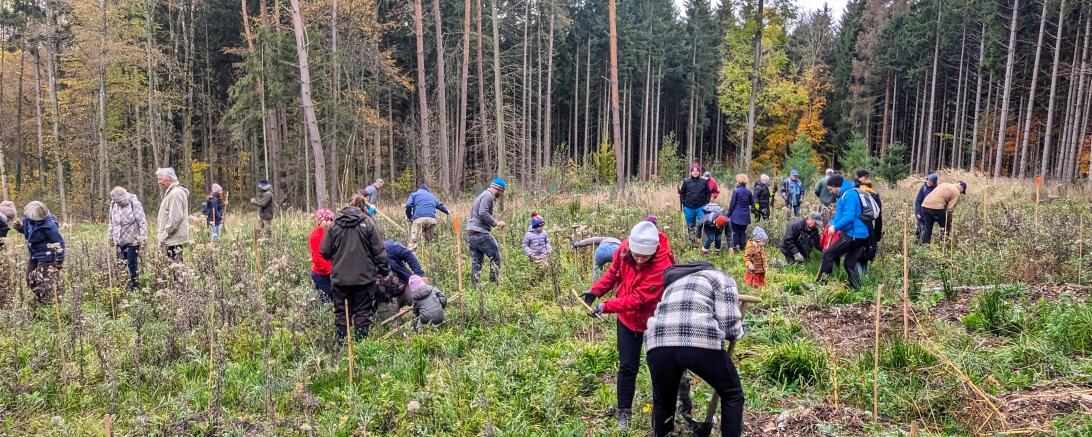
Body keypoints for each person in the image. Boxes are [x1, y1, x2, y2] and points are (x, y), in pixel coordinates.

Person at [581, 221, 675, 430]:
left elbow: (639, 299)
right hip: (627, 319)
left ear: (653, 252)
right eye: (636, 255)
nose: (639, 260)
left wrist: (607, 306)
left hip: (654, 321)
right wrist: (595, 291)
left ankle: (664, 418)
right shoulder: (624, 250)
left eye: (644, 257)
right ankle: (624, 412)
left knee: (659, 369)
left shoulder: (662, 266)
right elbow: (613, 273)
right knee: (626, 367)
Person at [643, 261, 744, 437]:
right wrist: (737, 333)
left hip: (657, 342)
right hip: (698, 340)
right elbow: (729, 324)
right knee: (732, 394)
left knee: (663, 403)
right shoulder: (720, 277)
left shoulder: (673, 284)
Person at [320, 194, 392, 340]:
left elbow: (324, 252)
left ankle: (341, 345)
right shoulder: (368, 223)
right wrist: (385, 271)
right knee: (363, 312)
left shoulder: (334, 225)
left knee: (341, 313)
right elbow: (379, 251)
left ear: (348, 204)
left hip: (340, 279)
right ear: (362, 207)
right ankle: (360, 345)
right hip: (364, 278)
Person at [818, 174, 870, 290]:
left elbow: (849, 216)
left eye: (831, 189)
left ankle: (820, 286)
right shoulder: (844, 194)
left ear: (835, 186)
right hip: (859, 235)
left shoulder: (849, 194)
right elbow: (840, 214)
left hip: (854, 235)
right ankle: (856, 289)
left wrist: (836, 228)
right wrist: (832, 224)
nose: (831, 192)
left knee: (828, 255)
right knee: (849, 263)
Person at [17, 201, 66, 304]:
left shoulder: (50, 226)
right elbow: (29, 233)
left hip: (46, 257)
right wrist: (19, 228)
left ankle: (50, 304)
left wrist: (59, 260)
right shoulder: (28, 220)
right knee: (30, 279)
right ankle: (40, 301)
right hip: (34, 255)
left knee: (45, 282)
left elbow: (59, 242)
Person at [467, 178, 507, 284]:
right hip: (480, 234)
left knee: (477, 261)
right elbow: (482, 213)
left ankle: (475, 286)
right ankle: (494, 284)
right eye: (502, 191)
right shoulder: (488, 196)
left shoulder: (483, 195)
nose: (502, 194)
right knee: (496, 257)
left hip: (472, 234)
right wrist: (496, 223)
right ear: (498, 189)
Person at [107, 187, 148, 290]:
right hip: (119, 242)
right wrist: (110, 237)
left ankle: (134, 288)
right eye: (116, 202)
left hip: (132, 241)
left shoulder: (135, 204)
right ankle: (124, 288)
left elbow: (142, 222)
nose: (118, 203)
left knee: (131, 265)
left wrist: (142, 239)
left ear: (124, 197)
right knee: (121, 266)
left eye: (119, 201)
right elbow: (111, 223)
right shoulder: (113, 205)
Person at [376, 238, 426, 320]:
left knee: (422, 303)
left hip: (405, 287)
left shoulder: (389, 246)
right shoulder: (363, 259)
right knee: (387, 320)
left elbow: (408, 254)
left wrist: (420, 275)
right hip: (386, 298)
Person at [156, 167, 190, 262]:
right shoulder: (173, 192)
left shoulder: (175, 193)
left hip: (173, 238)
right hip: (172, 238)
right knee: (175, 268)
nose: (159, 182)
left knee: (177, 269)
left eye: (160, 179)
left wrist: (165, 234)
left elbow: (176, 218)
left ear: (168, 179)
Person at [404, 184, 450, 251]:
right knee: (430, 243)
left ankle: (411, 258)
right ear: (427, 190)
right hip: (432, 220)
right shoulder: (431, 196)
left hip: (419, 219)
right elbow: (439, 205)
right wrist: (447, 211)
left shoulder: (414, 195)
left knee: (413, 242)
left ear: (418, 189)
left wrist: (409, 217)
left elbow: (408, 205)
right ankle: (430, 258)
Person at [679, 164, 711, 242]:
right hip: (689, 207)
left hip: (701, 207)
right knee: (690, 225)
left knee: (702, 223)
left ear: (699, 172)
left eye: (697, 171)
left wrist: (706, 203)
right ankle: (691, 240)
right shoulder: (686, 181)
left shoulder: (704, 181)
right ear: (691, 172)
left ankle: (700, 239)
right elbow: (682, 193)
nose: (695, 172)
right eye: (694, 171)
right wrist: (683, 202)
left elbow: (708, 193)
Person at [308, 209, 335, 301]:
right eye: (326, 220)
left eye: (330, 220)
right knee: (325, 300)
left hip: (327, 274)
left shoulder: (327, 233)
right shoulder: (316, 235)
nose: (329, 222)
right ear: (320, 221)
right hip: (320, 275)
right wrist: (330, 271)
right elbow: (317, 258)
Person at [857, 181, 883, 274]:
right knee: (866, 254)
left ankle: (858, 281)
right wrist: (877, 234)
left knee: (857, 255)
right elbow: (878, 218)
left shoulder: (857, 194)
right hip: (869, 228)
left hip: (857, 228)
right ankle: (863, 278)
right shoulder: (875, 195)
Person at [725, 174, 754, 254]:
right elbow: (752, 203)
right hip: (745, 216)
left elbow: (732, 204)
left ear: (738, 182)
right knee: (742, 232)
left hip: (736, 216)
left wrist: (727, 215)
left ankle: (736, 248)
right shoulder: (749, 191)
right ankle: (743, 248)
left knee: (735, 232)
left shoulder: (736, 191)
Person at [915, 173, 940, 239]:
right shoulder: (923, 188)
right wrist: (917, 212)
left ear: (934, 182)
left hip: (930, 214)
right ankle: (917, 243)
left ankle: (925, 245)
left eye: (931, 181)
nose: (928, 182)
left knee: (927, 230)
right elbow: (918, 201)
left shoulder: (937, 190)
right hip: (921, 212)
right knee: (919, 230)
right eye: (928, 180)